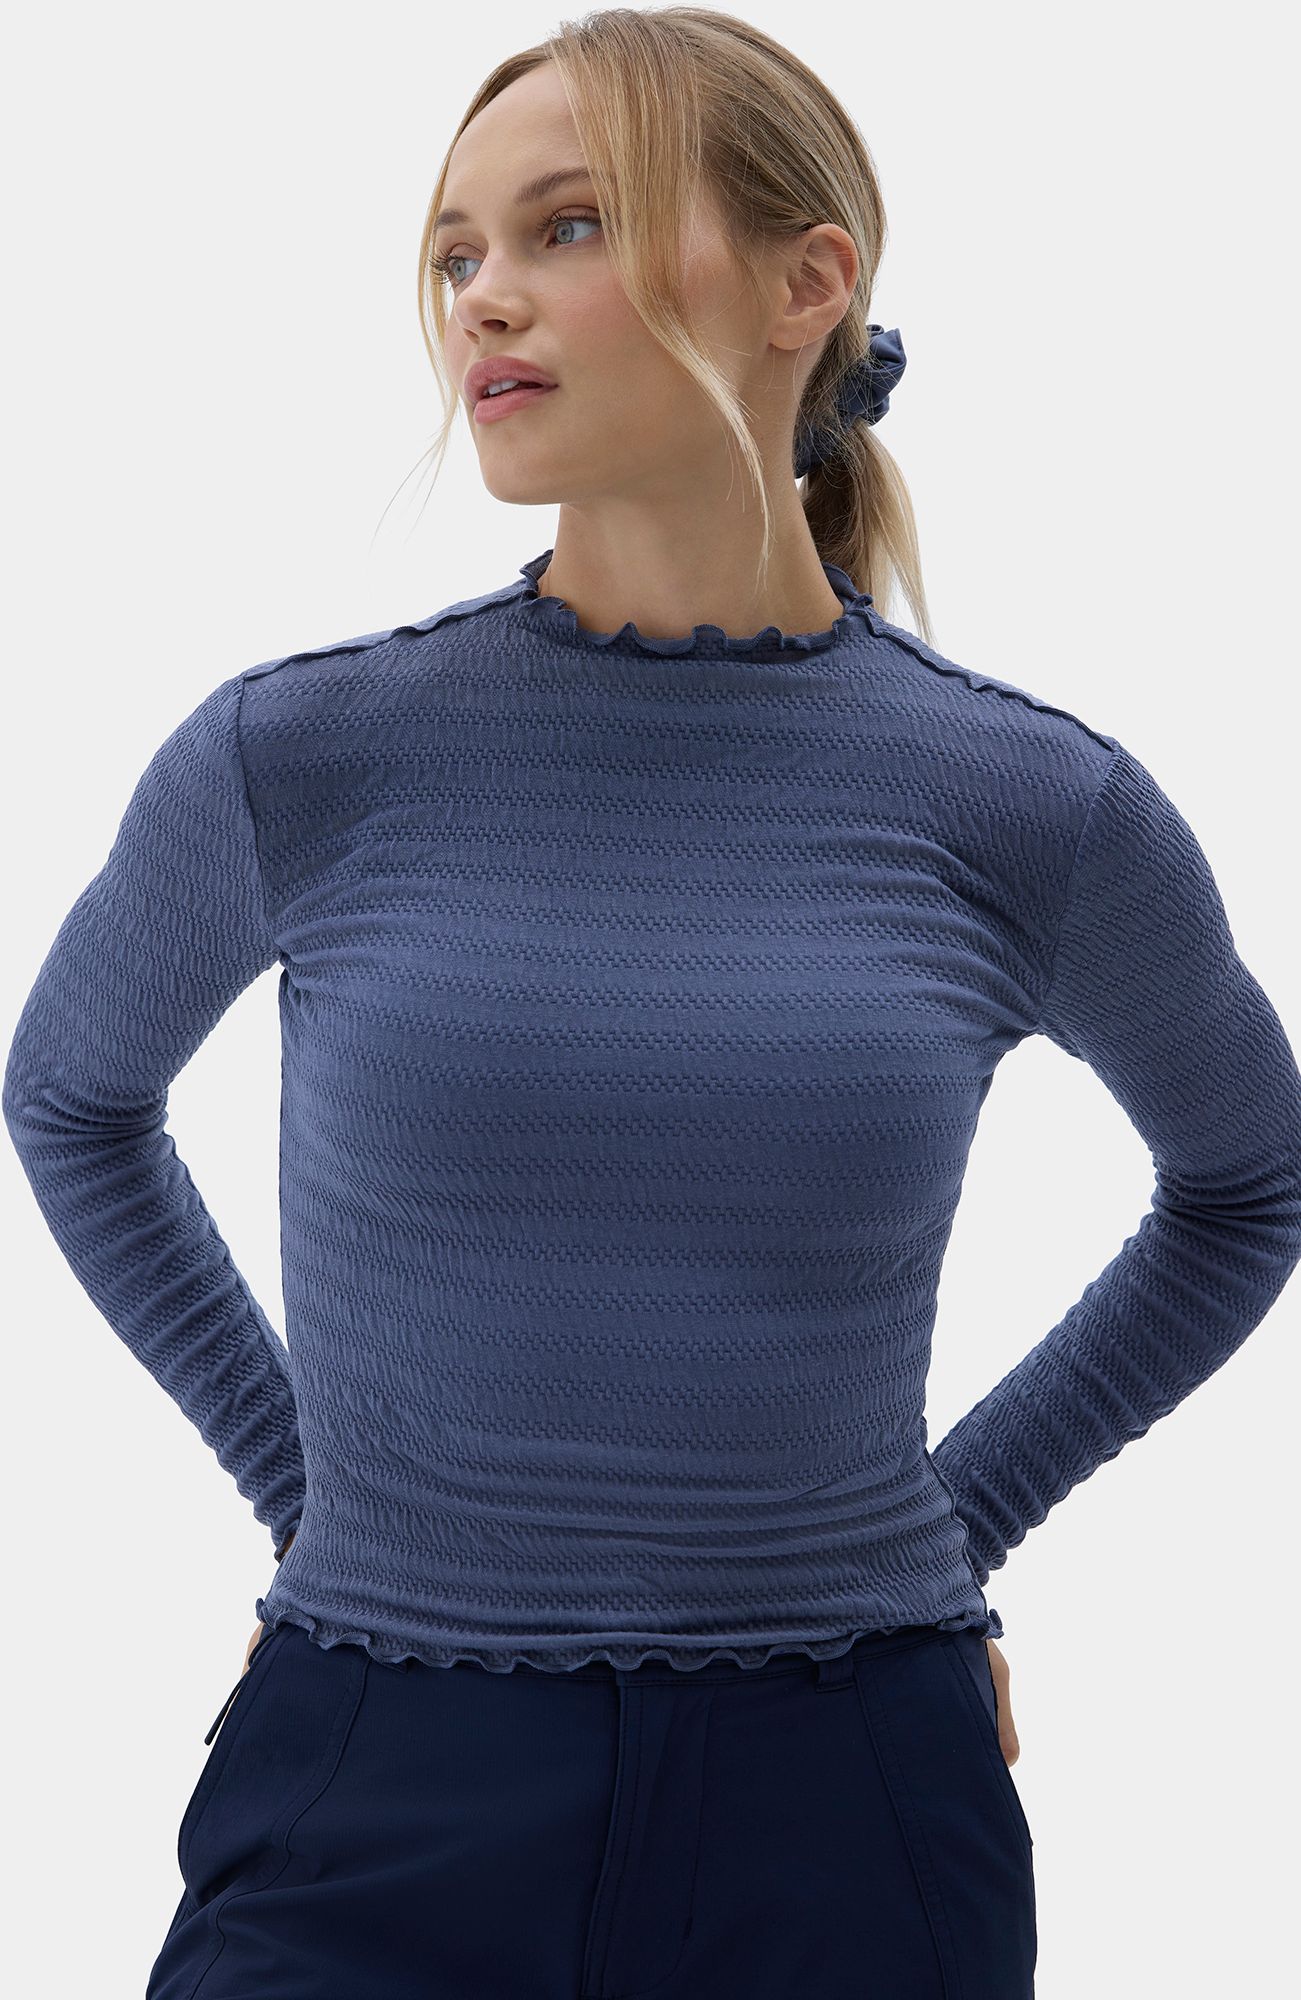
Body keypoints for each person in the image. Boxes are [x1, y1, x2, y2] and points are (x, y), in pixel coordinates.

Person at [6, 10, 1300, 1998]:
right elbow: (73, 1100)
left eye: (570, 225)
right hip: (377, 1763)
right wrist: (318, 1504)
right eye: (455, 251)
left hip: (848, 1781)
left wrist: (952, 1531)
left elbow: (1246, 1182)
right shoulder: (299, 757)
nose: (482, 296)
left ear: (807, 282)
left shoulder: (1031, 805)